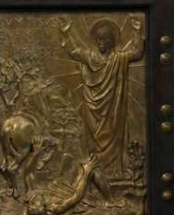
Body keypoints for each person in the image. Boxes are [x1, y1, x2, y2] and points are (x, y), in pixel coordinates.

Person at [59, 16, 145, 176]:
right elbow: (73, 52)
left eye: (104, 39)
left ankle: (114, 173)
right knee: (92, 144)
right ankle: (94, 175)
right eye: (98, 39)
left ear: (111, 41)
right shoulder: (90, 57)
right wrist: (66, 33)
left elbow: (138, 52)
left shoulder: (119, 58)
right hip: (92, 110)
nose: (100, 42)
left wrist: (138, 32)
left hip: (113, 111)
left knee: (114, 141)